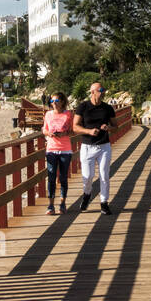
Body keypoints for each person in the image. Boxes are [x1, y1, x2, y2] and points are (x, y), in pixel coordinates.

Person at [73, 82, 117, 215]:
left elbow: (116, 126)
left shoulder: (108, 108)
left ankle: (104, 203)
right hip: (87, 146)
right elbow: (75, 127)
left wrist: (108, 128)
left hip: (104, 146)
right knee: (88, 176)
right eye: (100, 90)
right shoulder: (83, 107)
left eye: (103, 90)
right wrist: (89, 131)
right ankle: (87, 194)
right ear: (92, 92)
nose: (103, 92)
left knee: (104, 175)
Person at [43, 92, 74, 216]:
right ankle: (50, 205)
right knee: (51, 177)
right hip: (51, 149)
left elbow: (73, 131)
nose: (54, 103)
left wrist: (64, 134)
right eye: (52, 101)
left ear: (62, 101)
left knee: (63, 178)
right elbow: (44, 129)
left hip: (65, 150)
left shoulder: (68, 114)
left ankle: (62, 203)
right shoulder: (48, 114)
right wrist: (48, 133)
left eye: (56, 101)